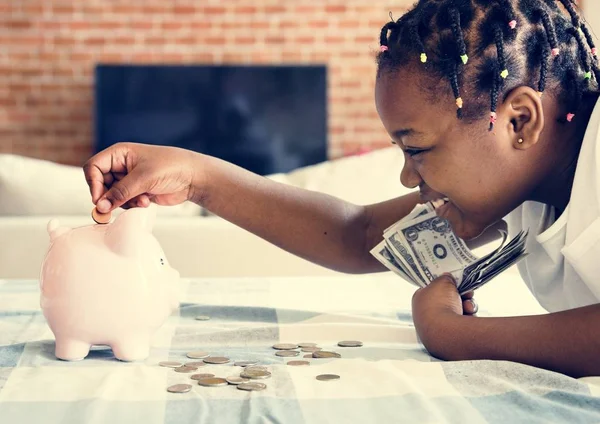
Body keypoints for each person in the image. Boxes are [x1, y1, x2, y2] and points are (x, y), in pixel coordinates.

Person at [83, 0, 600, 378]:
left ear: (519, 121)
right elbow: (360, 234)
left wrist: (456, 337)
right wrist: (195, 175)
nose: (406, 176)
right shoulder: (523, 179)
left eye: (416, 149)